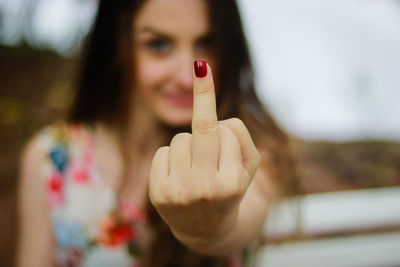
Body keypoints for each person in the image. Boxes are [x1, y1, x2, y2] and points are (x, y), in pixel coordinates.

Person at [17, 0, 293, 266]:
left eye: (207, 43)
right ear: (117, 46)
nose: (186, 77)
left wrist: (209, 227)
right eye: (158, 44)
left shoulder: (249, 150)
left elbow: (238, 222)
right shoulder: (50, 157)